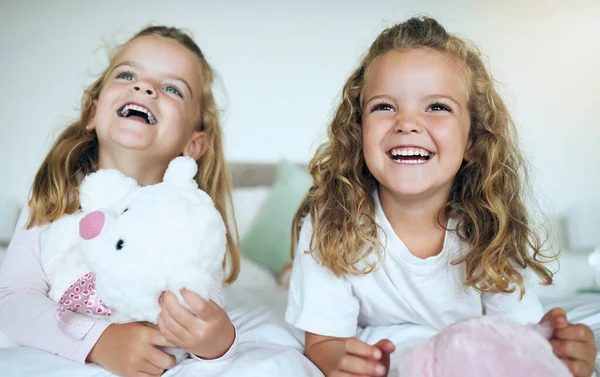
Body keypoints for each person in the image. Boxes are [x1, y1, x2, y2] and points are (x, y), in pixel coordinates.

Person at [286, 16, 597, 377]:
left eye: (437, 107)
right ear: (359, 133)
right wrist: (344, 362)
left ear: (473, 141)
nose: (407, 122)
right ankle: (287, 272)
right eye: (384, 106)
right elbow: (323, 342)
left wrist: (559, 348)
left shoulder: (490, 225)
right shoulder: (331, 220)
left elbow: (518, 334)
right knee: (300, 275)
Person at [0, 25, 240, 377]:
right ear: (92, 113)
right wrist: (99, 341)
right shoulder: (54, 195)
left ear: (194, 143)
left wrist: (217, 340)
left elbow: (204, 308)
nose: (144, 87)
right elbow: (12, 298)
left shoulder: (190, 217)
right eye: (127, 74)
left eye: (172, 88)